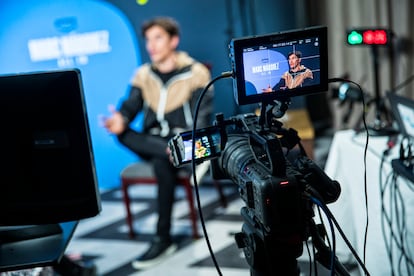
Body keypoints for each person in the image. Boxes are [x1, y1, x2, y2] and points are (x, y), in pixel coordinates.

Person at [102, 16, 213, 269]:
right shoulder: (143, 74)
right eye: (148, 39)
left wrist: (188, 144)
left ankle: (162, 238)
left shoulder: (196, 73)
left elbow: (202, 118)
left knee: (163, 166)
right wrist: (120, 118)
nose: (151, 45)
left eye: (158, 38)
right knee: (124, 134)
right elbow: (131, 105)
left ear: (174, 40)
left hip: (184, 140)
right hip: (154, 141)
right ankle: (172, 155)